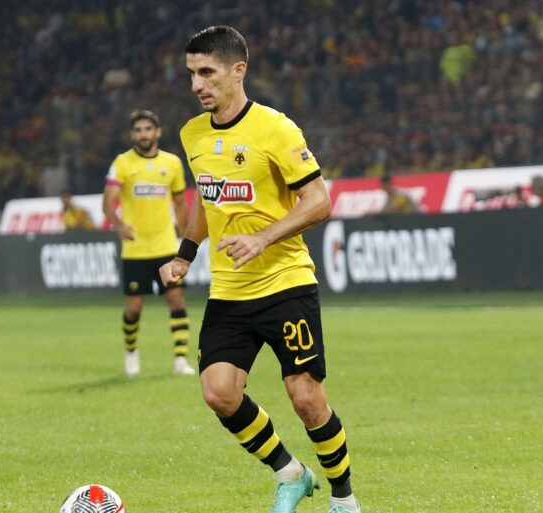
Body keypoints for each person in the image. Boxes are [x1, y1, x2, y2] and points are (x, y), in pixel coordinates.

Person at [159, 26, 361, 513]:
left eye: (206, 72)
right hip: (230, 291)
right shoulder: (192, 134)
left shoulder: (276, 129)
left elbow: (319, 201)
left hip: (286, 283)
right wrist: (186, 253)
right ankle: (291, 473)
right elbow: (207, 198)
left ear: (238, 70)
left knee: (306, 398)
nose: (197, 84)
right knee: (219, 393)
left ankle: (344, 499)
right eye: (191, 74)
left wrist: (263, 237)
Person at [102, 109, 194, 377]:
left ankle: (180, 360)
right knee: (134, 307)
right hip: (136, 249)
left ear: (157, 132)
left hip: (166, 246)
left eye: (147, 129)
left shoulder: (172, 163)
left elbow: (180, 203)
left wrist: (186, 237)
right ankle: (131, 352)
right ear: (132, 135)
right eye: (138, 130)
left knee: (176, 300)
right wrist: (119, 225)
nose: (143, 134)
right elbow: (108, 201)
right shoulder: (122, 163)